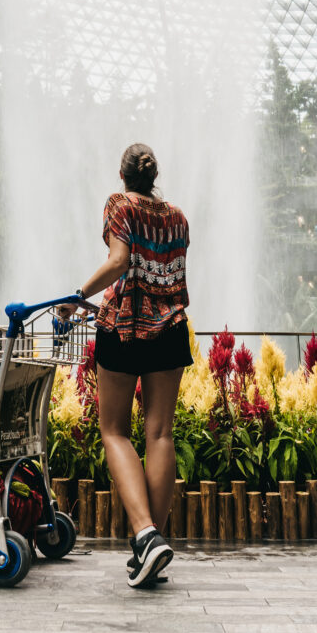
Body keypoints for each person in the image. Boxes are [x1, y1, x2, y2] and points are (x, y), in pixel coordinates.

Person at [61, 142, 192, 588]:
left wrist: (77, 295)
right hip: (171, 329)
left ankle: (145, 535)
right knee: (160, 433)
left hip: (125, 329)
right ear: (153, 176)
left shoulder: (119, 204)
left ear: (123, 177)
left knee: (114, 431)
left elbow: (120, 263)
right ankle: (150, 548)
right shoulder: (177, 216)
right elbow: (164, 278)